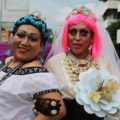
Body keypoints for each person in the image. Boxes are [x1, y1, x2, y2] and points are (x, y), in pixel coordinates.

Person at [45, 5, 120, 120]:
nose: (77, 37)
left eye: (84, 33)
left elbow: (116, 103)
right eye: (72, 32)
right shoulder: (54, 64)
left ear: (92, 37)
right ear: (66, 34)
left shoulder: (104, 63)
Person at [0, 12, 66, 120]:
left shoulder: (38, 75)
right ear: (12, 37)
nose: (25, 42)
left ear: (41, 46)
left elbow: (59, 110)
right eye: (20, 35)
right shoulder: (6, 62)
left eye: (33, 38)